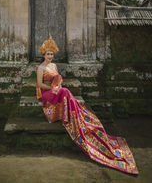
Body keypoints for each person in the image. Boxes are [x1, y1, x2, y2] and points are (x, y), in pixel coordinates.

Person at [36, 34, 138, 175]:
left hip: (56, 89)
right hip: (47, 92)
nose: (50, 56)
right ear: (44, 54)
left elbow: (58, 79)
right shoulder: (40, 68)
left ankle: (73, 112)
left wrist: (58, 85)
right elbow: (40, 84)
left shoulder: (54, 65)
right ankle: (72, 111)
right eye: (48, 54)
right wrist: (52, 88)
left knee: (64, 90)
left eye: (52, 54)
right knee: (65, 92)